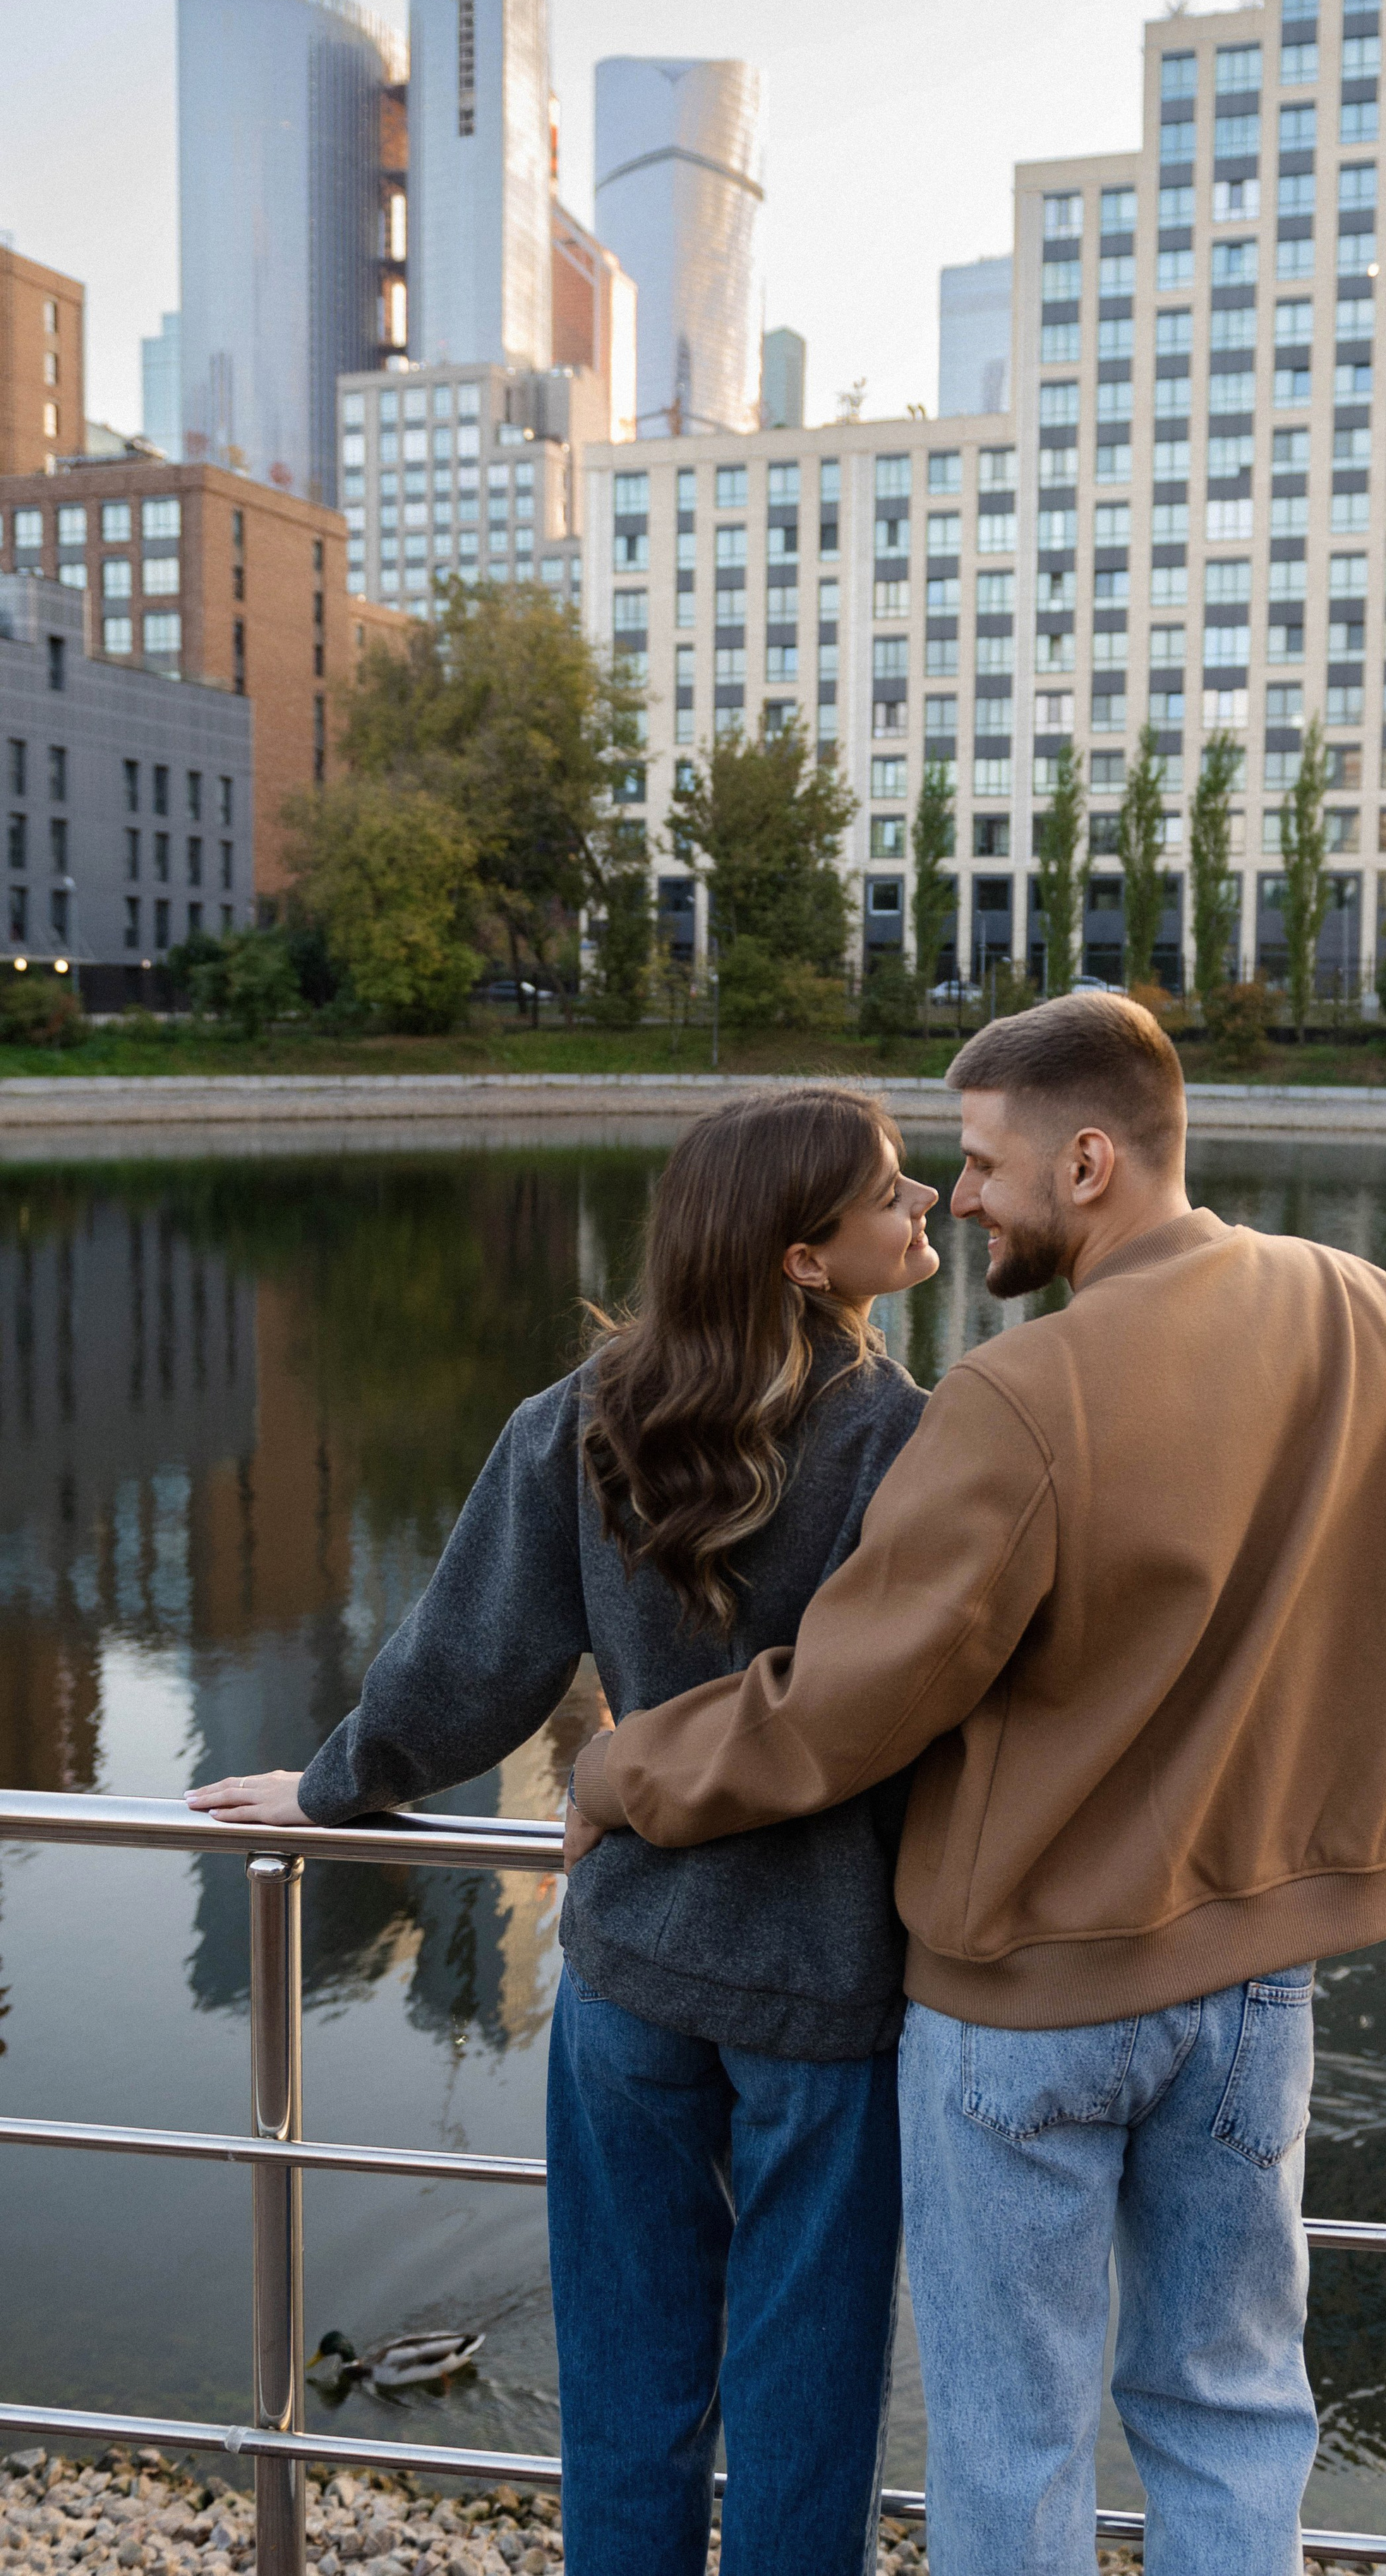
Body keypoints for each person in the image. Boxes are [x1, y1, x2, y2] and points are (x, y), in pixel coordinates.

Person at [569, 993, 1386, 2576]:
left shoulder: (1020, 1396)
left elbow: (842, 1706)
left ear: (1087, 1160)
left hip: (1019, 2010)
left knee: (1012, 2446)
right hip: (1251, 1997)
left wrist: (621, 1763)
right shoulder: (1369, 1317)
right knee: (1229, 2414)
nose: (965, 1195)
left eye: (988, 1162)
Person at [186, 1089, 943, 2576]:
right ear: (804, 1258)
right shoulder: (905, 1444)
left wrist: (337, 1784)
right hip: (823, 1990)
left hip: (631, 1974)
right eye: (891, 1190)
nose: (927, 1203)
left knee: (626, 2378)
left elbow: (466, 1663)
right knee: (808, 2391)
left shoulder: (586, 1415)